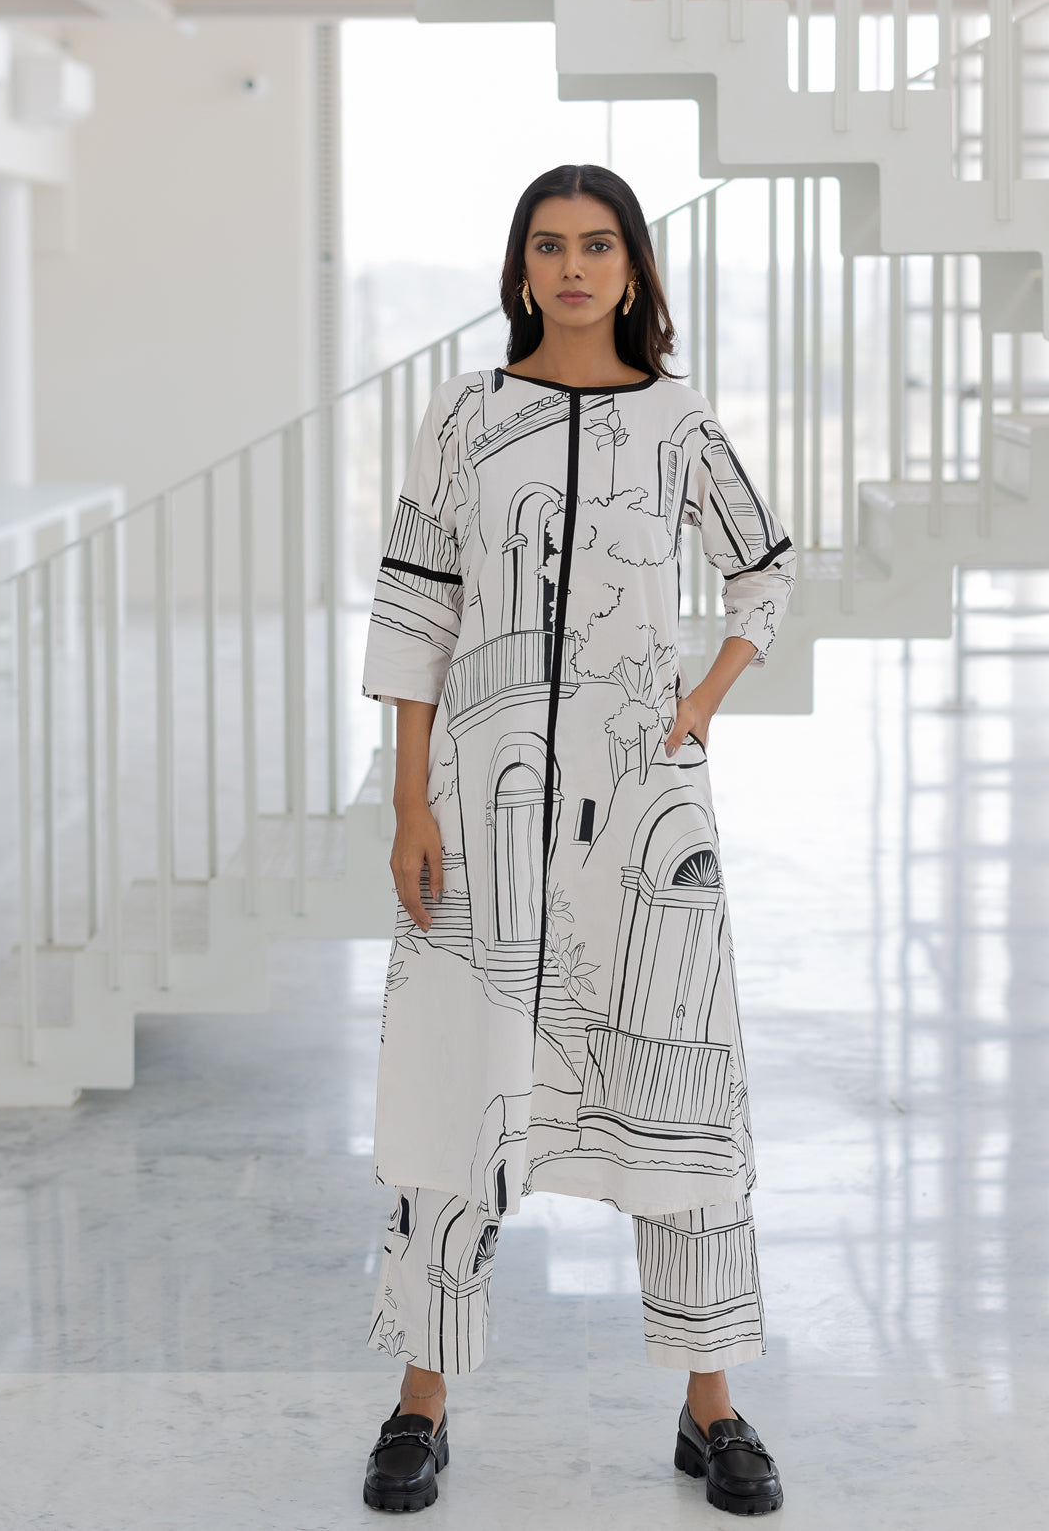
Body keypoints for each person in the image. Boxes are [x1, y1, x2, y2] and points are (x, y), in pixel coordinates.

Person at [358, 163, 795, 1516]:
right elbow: (416, 605)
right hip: (480, 805)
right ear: (520, 269)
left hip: (644, 814)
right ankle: (421, 1400)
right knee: (458, 1087)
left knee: (680, 1087)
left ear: (634, 269)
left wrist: (699, 706)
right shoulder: (465, 416)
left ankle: (711, 1406)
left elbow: (765, 569)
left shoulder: (678, 422)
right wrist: (410, 801)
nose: (572, 267)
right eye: (548, 246)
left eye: (598, 245)